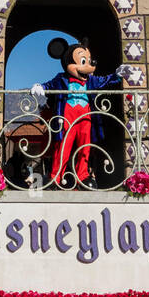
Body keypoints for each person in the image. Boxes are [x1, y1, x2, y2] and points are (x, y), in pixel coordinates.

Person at [30, 38, 128, 189]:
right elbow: (49, 85)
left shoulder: (90, 80)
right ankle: (55, 177)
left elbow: (105, 80)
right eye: (83, 61)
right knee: (63, 146)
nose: (88, 66)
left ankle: (82, 176)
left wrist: (116, 75)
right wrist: (40, 86)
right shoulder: (61, 78)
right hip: (66, 119)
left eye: (88, 61)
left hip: (85, 118)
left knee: (85, 147)